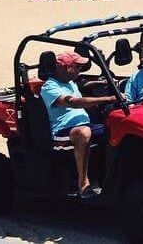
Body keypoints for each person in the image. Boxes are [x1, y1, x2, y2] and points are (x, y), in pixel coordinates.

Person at [40, 52, 124, 198]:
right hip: (62, 132)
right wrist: (108, 98)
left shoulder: (70, 82)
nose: (81, 69)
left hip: (84, 126)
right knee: (83, 132)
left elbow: (82, 84)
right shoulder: (49, 87)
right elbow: (72, 102)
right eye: (77, 66)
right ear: (65, 68)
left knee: (120, 126)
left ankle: (112, 178)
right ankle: (83, 184)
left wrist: (103, 82)